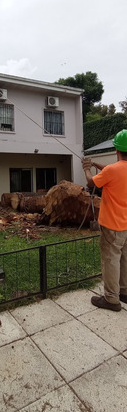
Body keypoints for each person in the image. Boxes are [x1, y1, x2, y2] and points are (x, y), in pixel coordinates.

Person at [82, 129, 127, 311]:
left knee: (111, 260)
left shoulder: (112, 170)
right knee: (124, 259)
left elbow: (92, 182)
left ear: (116, 150)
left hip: (112, 225)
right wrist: (94, 163)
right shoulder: (113, 170)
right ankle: (123, 292)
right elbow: (110, 172)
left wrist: (86, 168)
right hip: (126, 225)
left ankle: (111, 299)